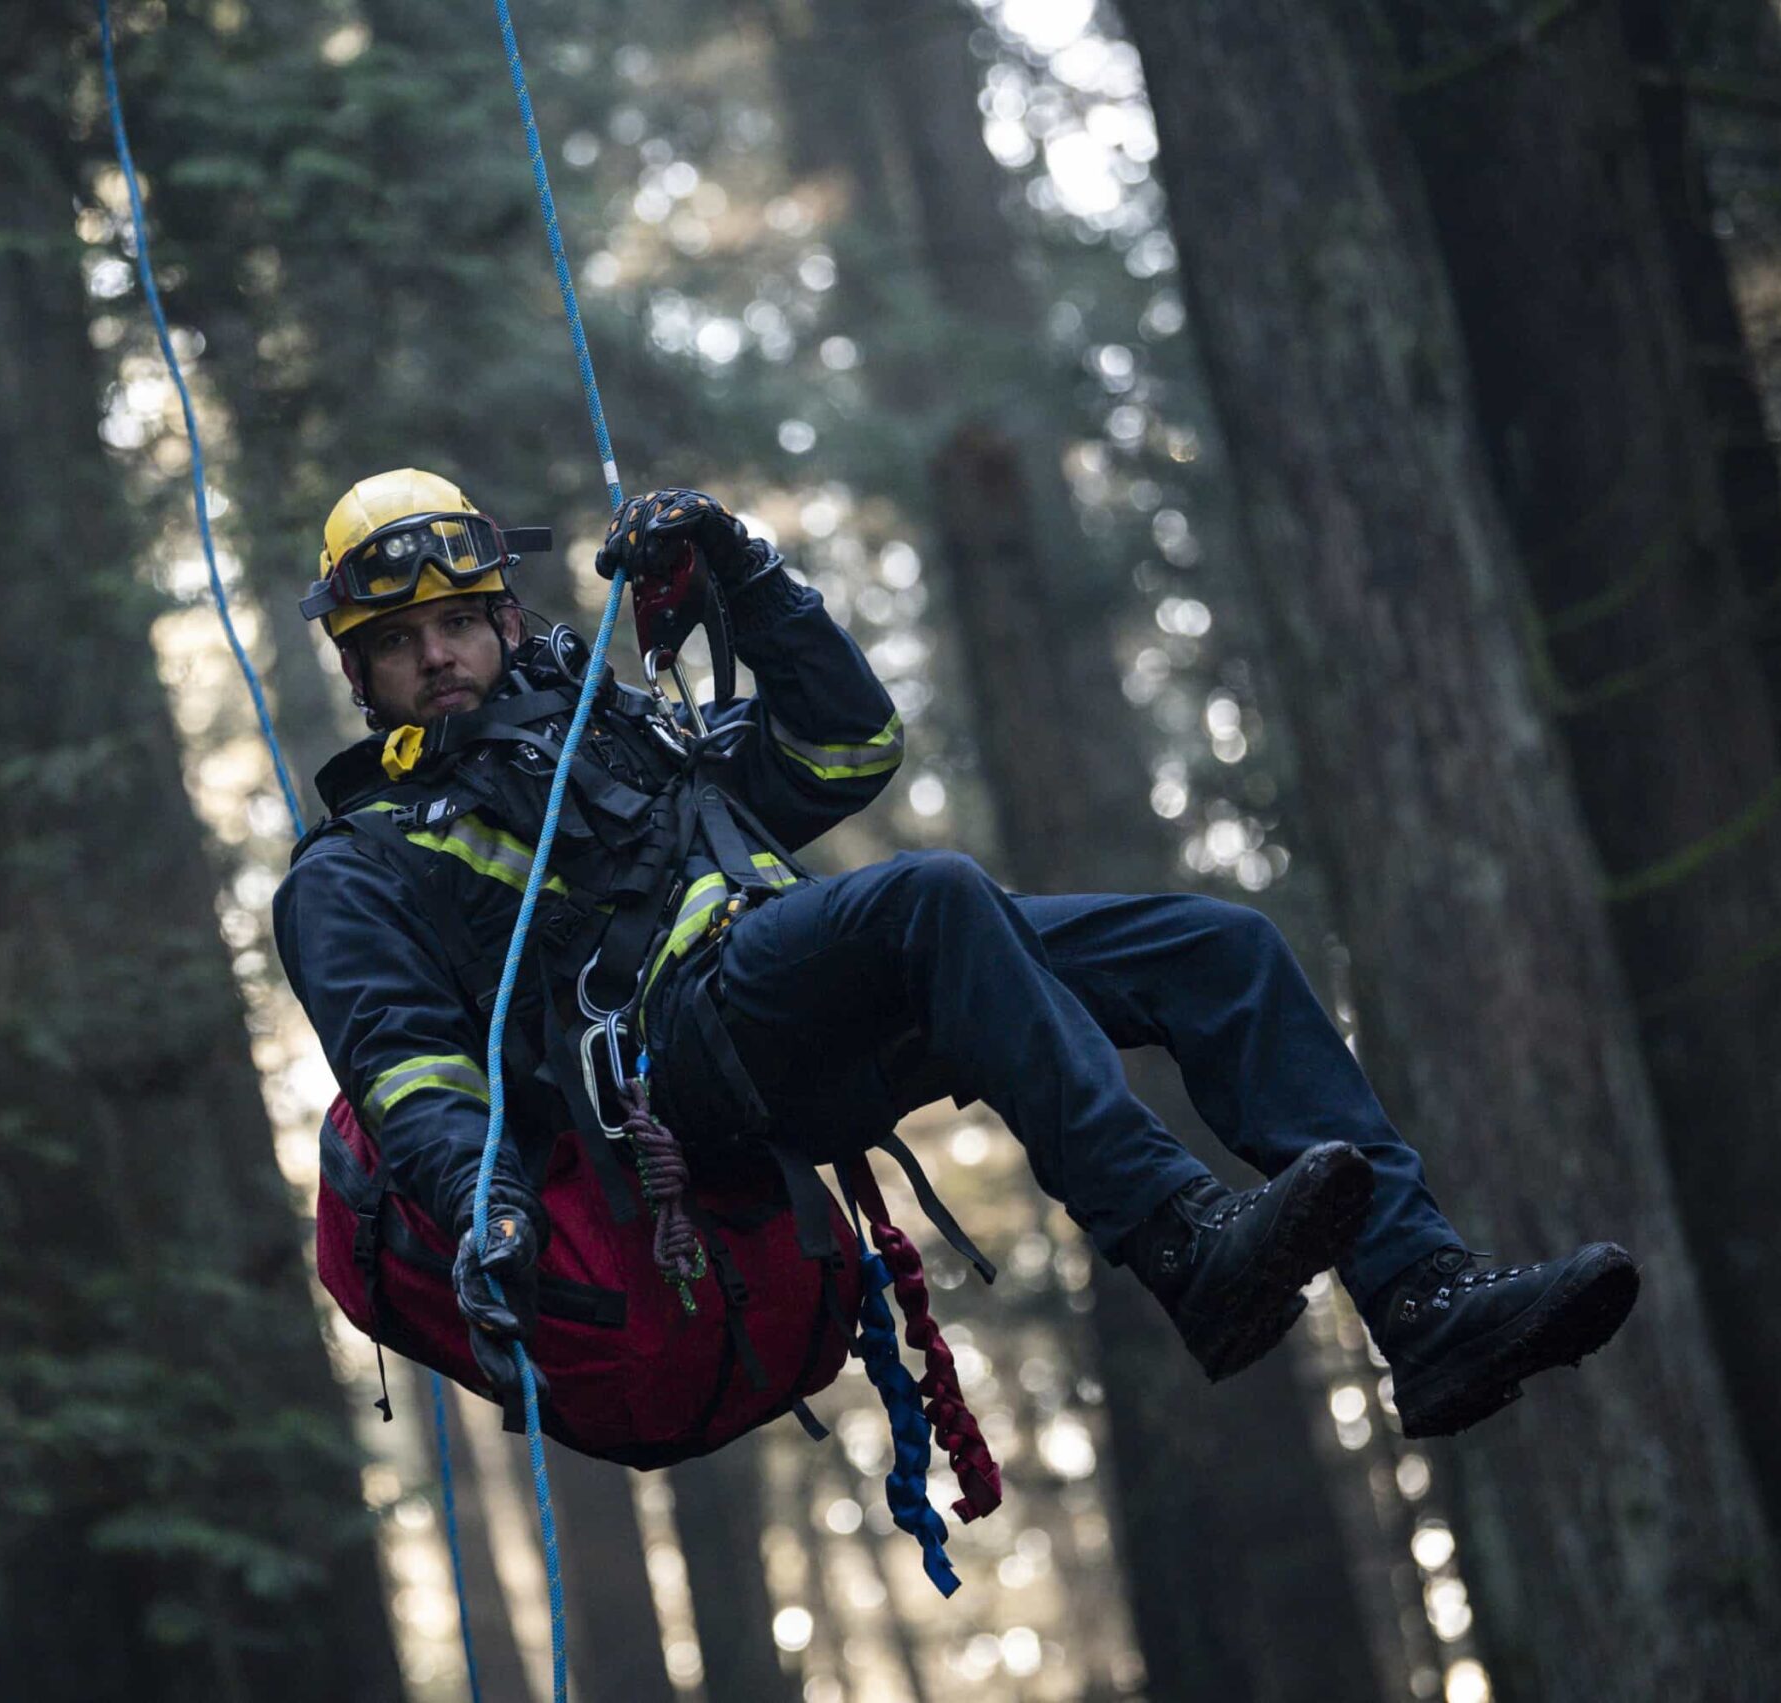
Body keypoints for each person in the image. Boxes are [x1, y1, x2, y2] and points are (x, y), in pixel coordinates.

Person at [273, 468, 1638, 1439]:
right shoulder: (358, 865)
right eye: (399, 643)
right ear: (358, 672)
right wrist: (488, 1211)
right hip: (675, 1072)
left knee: (1215, 949)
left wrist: (746, 575)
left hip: (810, 994)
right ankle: (1179, 1244)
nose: (438, 656)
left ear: (507, 617)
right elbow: (405, 1061)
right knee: (929, 895)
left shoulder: (617, 734)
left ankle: (1424, 1303)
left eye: (458, 621)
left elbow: (845, 751)